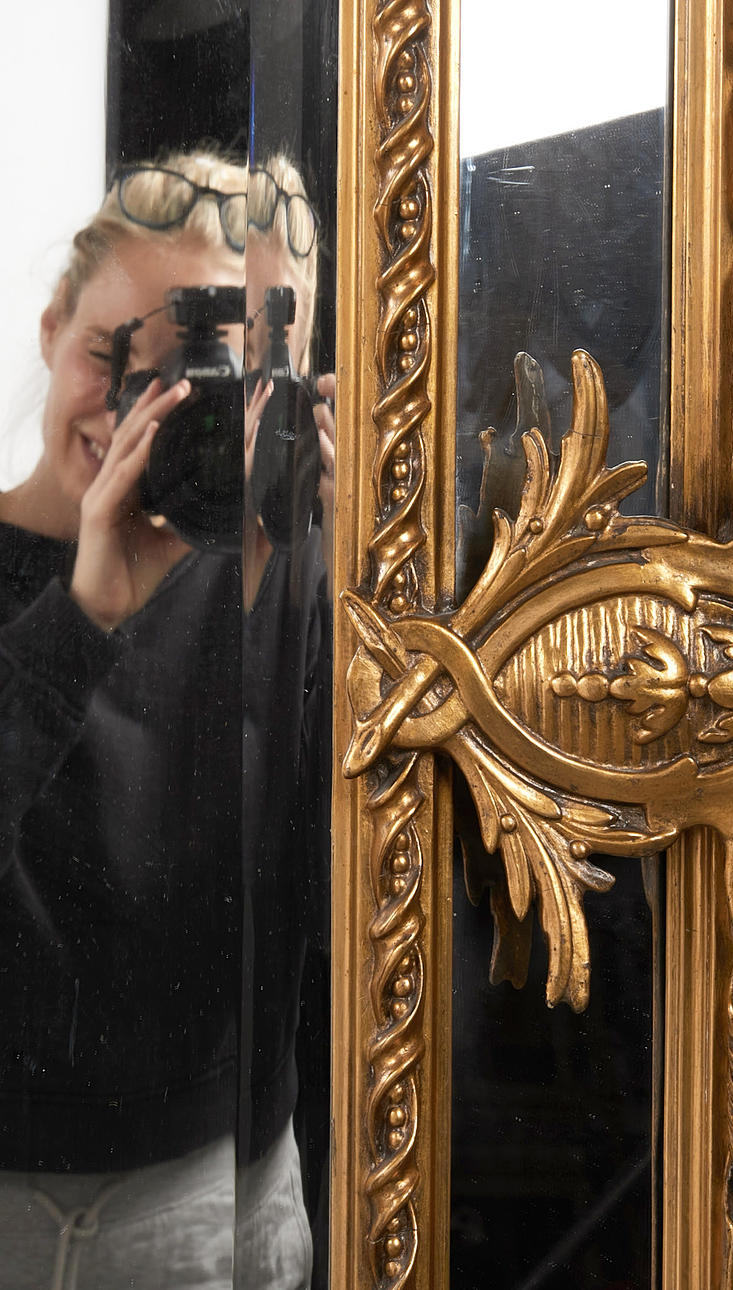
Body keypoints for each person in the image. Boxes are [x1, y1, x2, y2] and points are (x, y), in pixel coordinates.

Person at [0, 151, 330, 1289]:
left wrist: (350, 588)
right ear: (52, 326)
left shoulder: (291, 577)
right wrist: (83, 615)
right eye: (115, 356)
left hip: (214, 1195)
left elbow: (358, 909)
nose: (148, 410)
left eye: (208, 378)